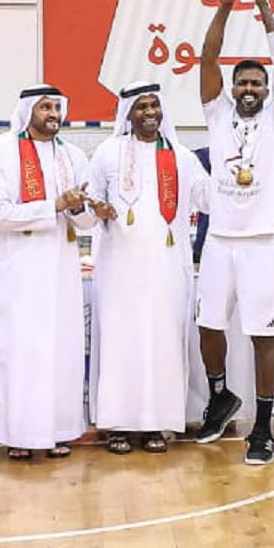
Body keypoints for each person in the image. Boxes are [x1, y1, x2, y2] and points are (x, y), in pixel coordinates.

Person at [193, 0, 274, 466]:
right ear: (234, 88)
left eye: (257, 83)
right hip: (218, 240)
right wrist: (226, 6)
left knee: (262, 335)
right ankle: (220, 396)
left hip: (261, 242)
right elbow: (207, 59)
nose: (251, 87)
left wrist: (262, 3)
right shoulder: (217, 114)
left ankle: (263, 424)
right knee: (207, 326)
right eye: (244, 82)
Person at [85, 83, 207, 454]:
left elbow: (208, 198)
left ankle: (157, 423)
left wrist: (238, 176)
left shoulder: (182, 157)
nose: (149, 112)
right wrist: (97, 210)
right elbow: (88, 206)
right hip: (119, 267)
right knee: (122, 342)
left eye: (155, 104)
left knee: (163, 339)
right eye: (141, 106)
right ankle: (117, 424)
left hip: (167, 268)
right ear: (127, 114)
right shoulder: (107, 153)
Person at [0, 84, 96, 460]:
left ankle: (60, 429)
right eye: (45, 107)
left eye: (57, 107)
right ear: (28, 110)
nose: (53, 114)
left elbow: (87, 222)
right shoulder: (2, 153)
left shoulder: (74, 156)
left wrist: (81, 209)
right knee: (24, 350)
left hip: (62, 268)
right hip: (21, 270)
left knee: (61, 349)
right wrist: (54, 205)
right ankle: (21, 433)